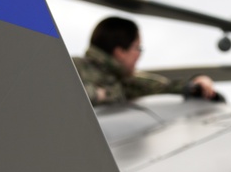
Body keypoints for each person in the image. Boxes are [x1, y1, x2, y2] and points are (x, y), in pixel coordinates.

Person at [75, 16, 216, 105]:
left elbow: (162, 88)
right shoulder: (74, 68)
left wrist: (196, 84)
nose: (139, 55)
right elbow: (60, 97)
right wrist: (99, 95)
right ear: (120, 52)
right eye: (137, 48)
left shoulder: (124, 81)